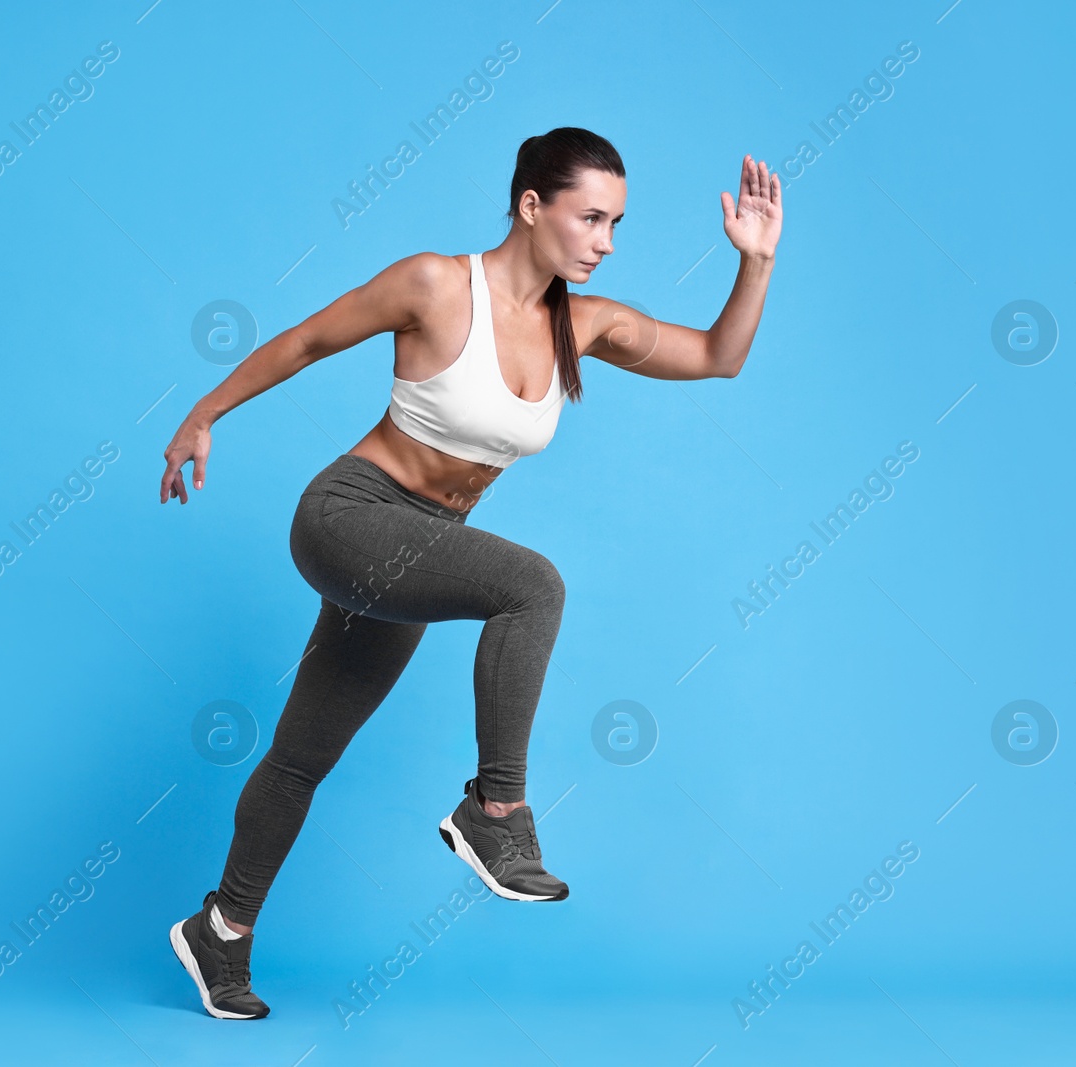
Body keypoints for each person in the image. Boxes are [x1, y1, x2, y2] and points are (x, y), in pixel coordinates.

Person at [162, 126, 782, 1019]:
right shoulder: (436, 284)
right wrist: (202, 413)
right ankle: (495, 816)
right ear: (532, 207)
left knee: (301, 758)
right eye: (591, 218)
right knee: (535, 584)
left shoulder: (584, 323)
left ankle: (220, 927)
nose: (605, 241)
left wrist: (754, 262)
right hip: (350, 517)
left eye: (616, 224)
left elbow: (719, 357)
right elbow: (304, 342)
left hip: (418, 551)